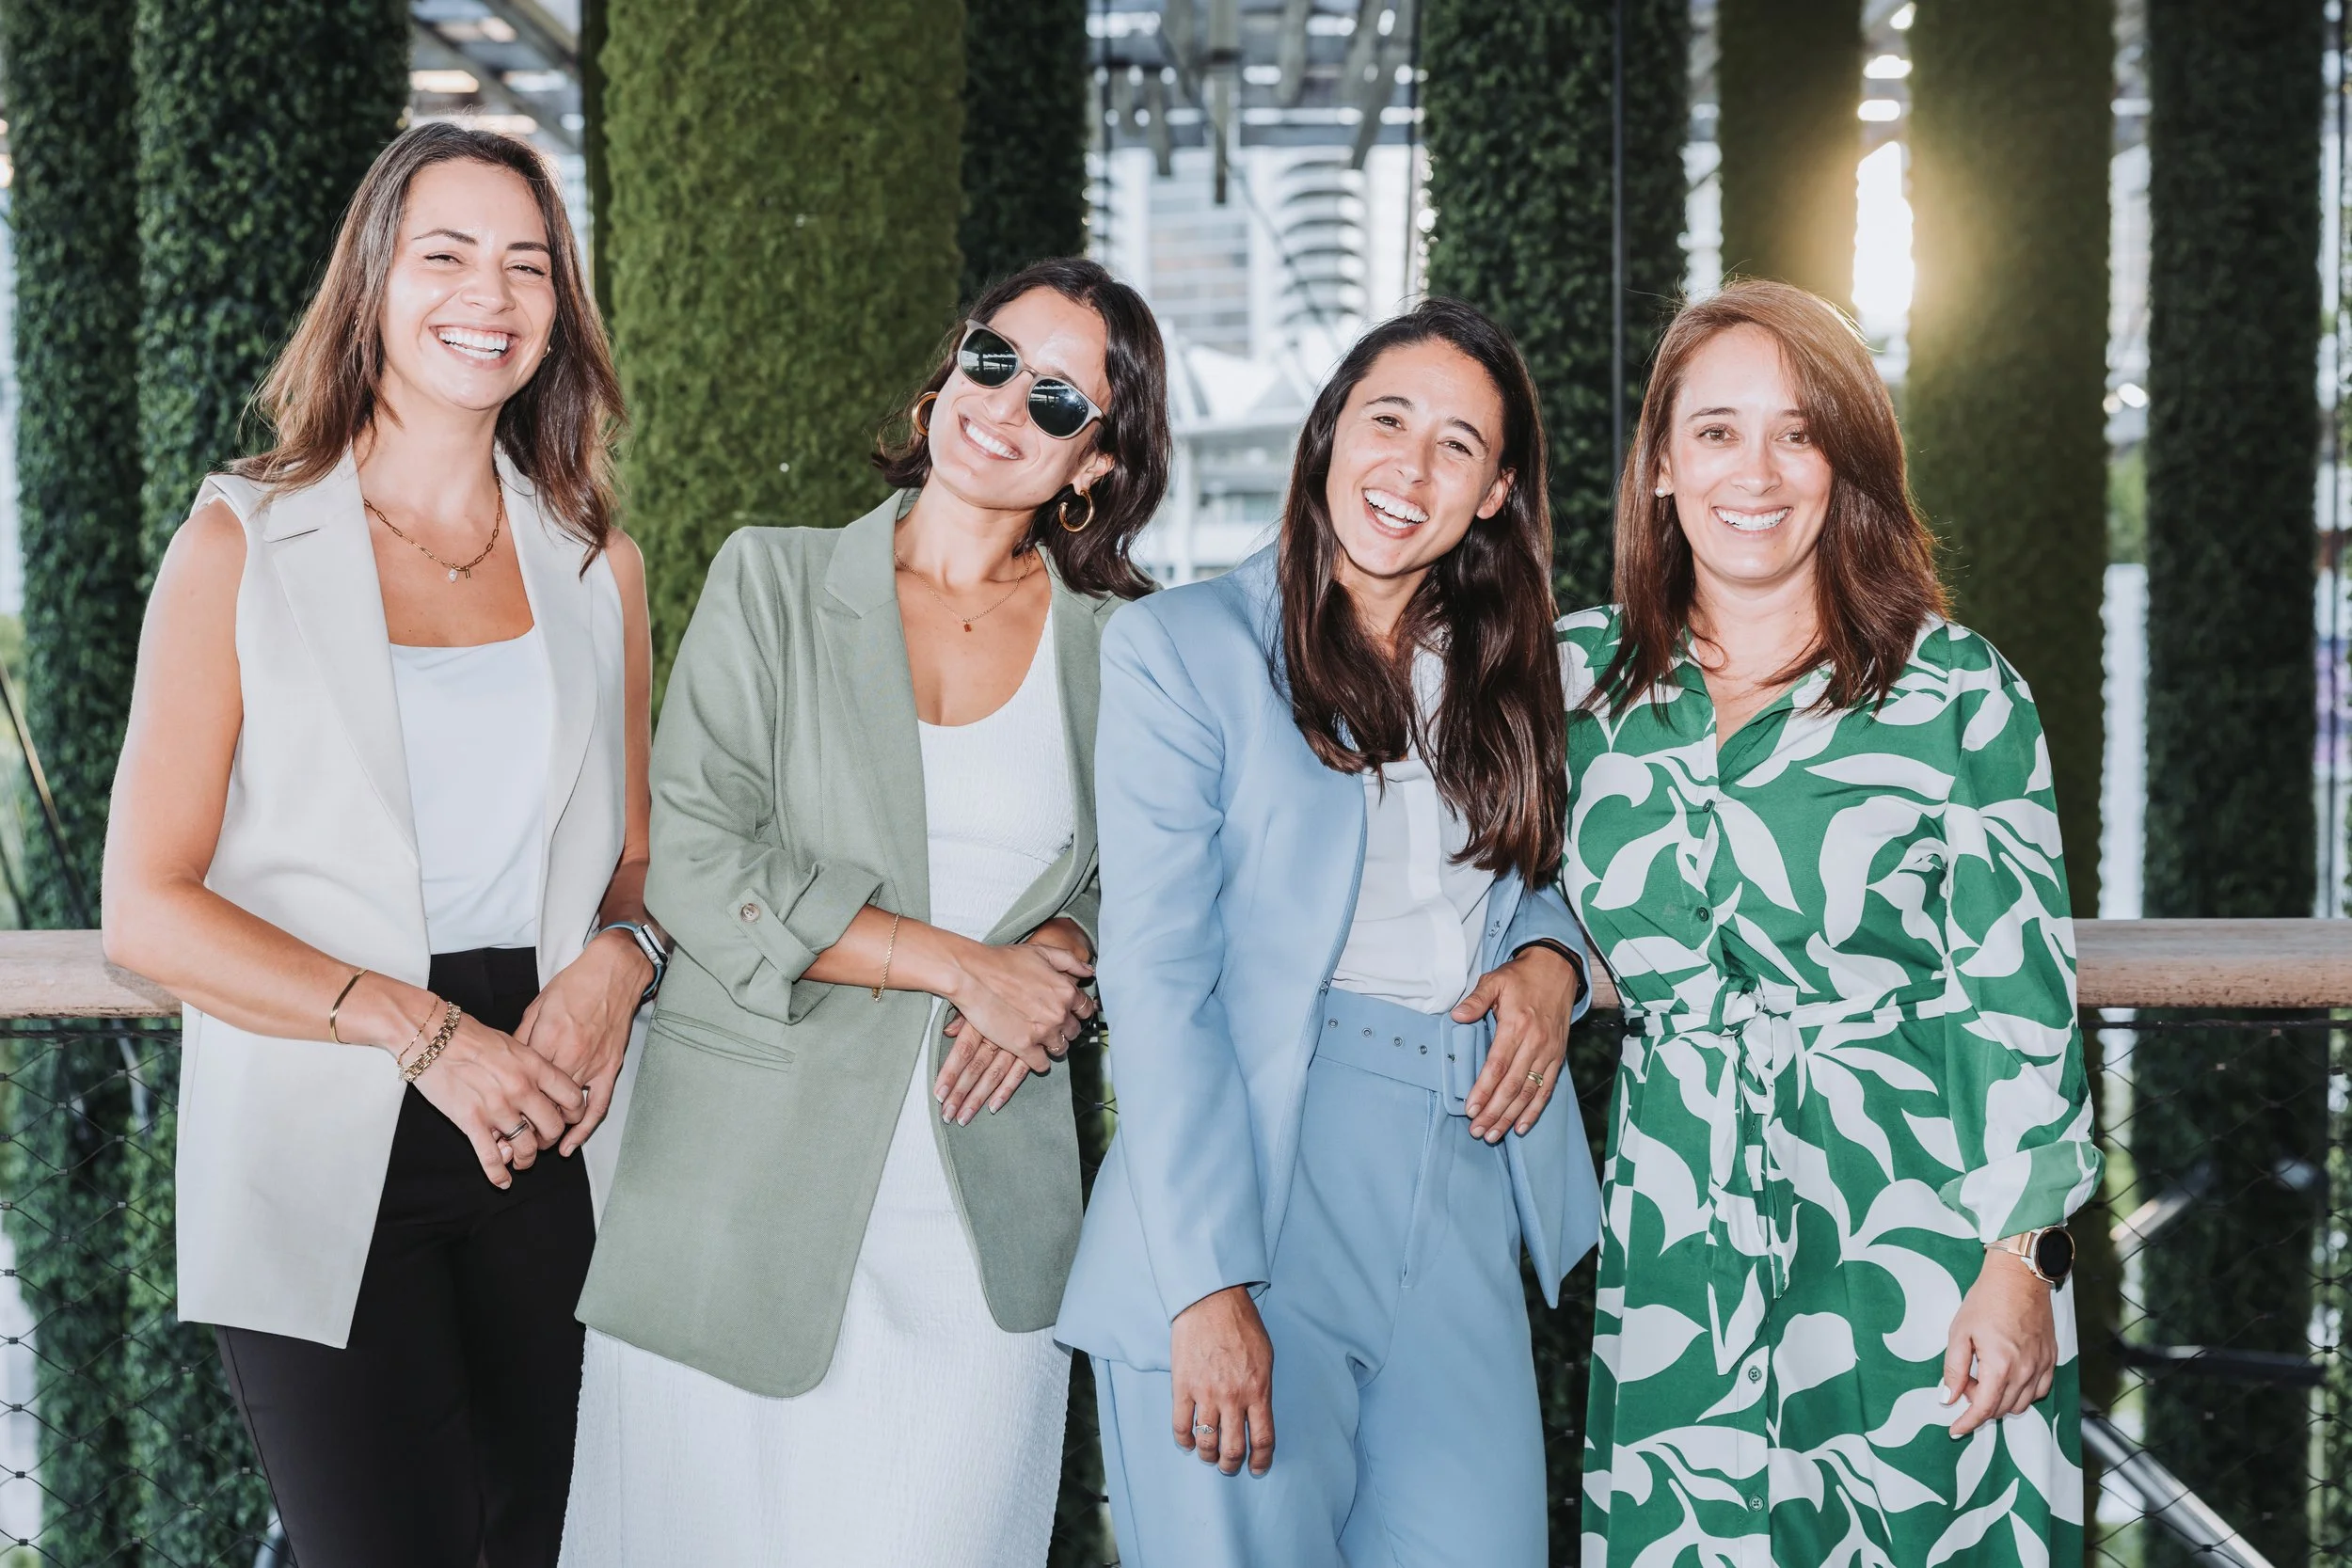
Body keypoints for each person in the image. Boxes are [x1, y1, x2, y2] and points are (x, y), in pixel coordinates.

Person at [563, 256, 1171, 1567]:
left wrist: (1067, 949)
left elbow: (1161, 880)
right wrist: (964, 967)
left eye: (1057, 399)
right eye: (994, 359)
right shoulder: (771, 582)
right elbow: (697, 857)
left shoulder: (1126, 650)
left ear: (1097, 465)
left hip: (981, 1217)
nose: (1004, 403)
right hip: (734, 1199)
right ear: (947, 373)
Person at [100, 123, 652, 1568]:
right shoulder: (238, 544)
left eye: (528, 263)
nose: (491, 294)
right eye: (446, 254)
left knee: (541, 1542)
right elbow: (145, 907)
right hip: (320, 1100)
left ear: (560, 308)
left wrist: (623, 960)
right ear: (374, 284)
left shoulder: (596, 564)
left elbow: (638, 861)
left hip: (552, 1112)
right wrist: (420, 1031)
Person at [1560, 278, 2103, 1565]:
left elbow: (2016, 991)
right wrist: (1542, 959)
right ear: (1660, 466)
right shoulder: (1574, 682)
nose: (1755, 471)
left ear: (1844, 464)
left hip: (1915, 1235)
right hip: (1681, 1236)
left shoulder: (1954, 691)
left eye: (1798, 433)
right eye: (1717, 431)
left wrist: (2023, 1260)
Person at [1056, 297, 1597, 1568]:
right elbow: (1159, 976)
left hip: (1465, 1168)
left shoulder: (1523, 677)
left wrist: (1551, 959)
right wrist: (1206, 1282)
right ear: (1329, 433)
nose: (1411, 467)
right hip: (1255, 1179)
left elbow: (1551, 878)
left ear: (1496, 494)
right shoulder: (1181, 649)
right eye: (1388, 420)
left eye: (1458, 445)